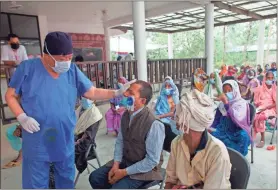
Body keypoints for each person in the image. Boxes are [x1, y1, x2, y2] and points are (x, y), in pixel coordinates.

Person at [5, 31, 134, 189]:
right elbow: (10, 95)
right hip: (37, 136)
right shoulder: (28, 68)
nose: (66, 62)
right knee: (35, 181)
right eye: (61, 59)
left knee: (65, 177)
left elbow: (91, 92)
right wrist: (22, 117)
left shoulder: (71, 71)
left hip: (63, 135)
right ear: (47, 54)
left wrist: (116, 93)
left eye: (69, 57)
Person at [89, 80, 165, 189]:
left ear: (142, 100)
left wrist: (124, 172)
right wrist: (116, 164)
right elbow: (120, 141)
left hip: (145, 169)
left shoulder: (154, 124)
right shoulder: (126, 114)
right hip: (126, 160)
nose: (125, 94)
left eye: (131, 93)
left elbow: (152, 161)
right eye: (127, 90)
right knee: (95, 178)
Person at [165, 89, 231, 189]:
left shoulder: (217, 152)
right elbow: (170, 181)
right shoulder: (176, 143)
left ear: (185, 124)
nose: (175, 117)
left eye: (178, 114)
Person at [210, 80, 251, 156]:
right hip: (223, 130)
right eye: (224, 91)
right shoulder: (221, 105)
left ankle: (237, 157)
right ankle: (221, 156)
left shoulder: (241, 104)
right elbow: (216, 120)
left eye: (229, 90)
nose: (227, 93)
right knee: (209, 135)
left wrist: (226, 104)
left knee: (244, 136)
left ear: (235, 90)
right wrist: (211, 128)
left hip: (237, 130)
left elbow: (237, 120)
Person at [75, 97, 102, 173]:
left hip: (84, 145)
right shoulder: (80, 110)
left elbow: (87, 139)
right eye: (83, 97)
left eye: (88, 97)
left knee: (61, 155)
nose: (85, 99)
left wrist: (74, 144)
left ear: (93, 99)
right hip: (75, 139)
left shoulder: (94, 115)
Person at [253, 71, 276, 148]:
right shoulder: (260, 88)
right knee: (253, 115)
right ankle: (251, 135)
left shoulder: (275, 88)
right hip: (261, 108)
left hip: (272, 108)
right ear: (265, 78)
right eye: (268, 78)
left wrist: (266, 107)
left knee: (261, 116)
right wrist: (261, 106)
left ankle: (262, 139)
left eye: (272, 78)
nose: (270, 80)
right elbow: (256, 101)